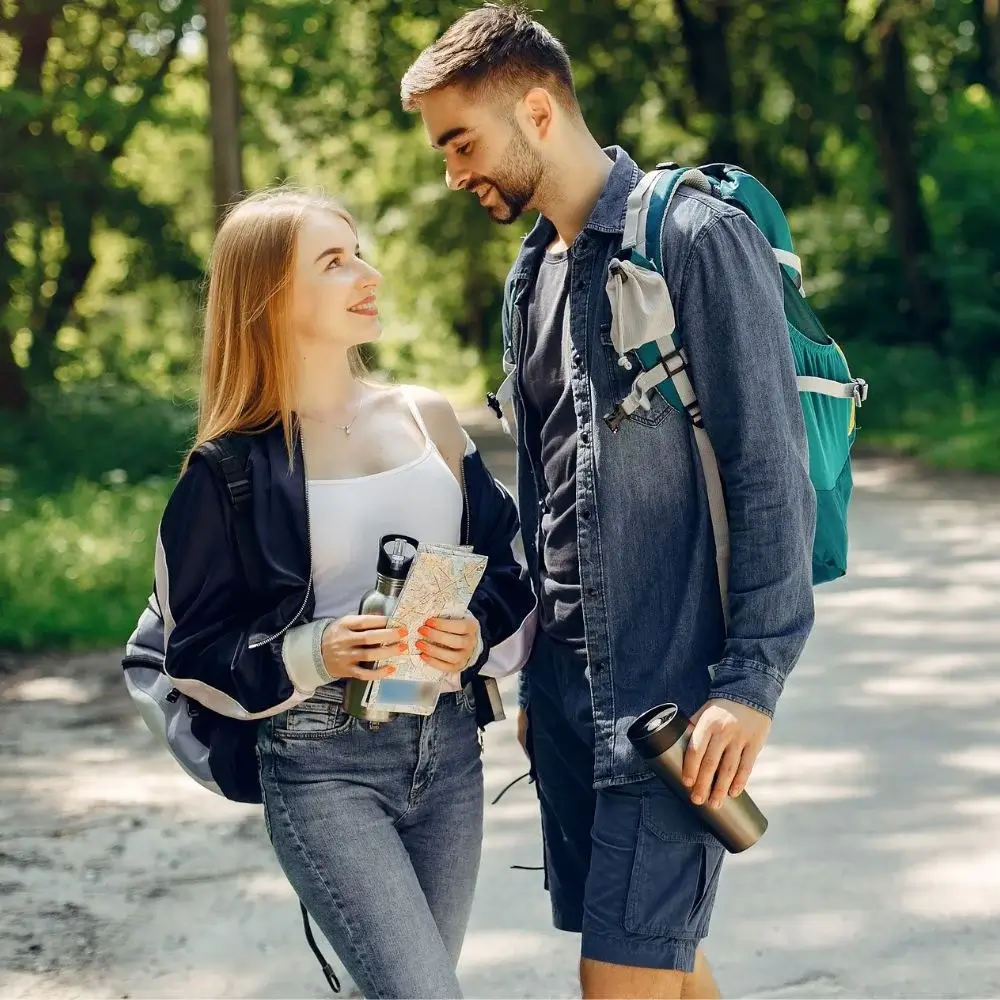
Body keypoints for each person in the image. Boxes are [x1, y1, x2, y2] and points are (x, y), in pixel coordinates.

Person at [401, 7, 816, 999]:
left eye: (461, 141)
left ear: (535, 110)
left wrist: (750, 679)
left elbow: (768, 466)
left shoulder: (694, 238)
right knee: (665, 964)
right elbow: (547, 492)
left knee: (618, 977)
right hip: (568, 700)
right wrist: (534, 670)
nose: (452, 170)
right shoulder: (526, 279)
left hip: (673, 699)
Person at [153, 187, 536, 999]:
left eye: (358, 251)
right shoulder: (228, 471)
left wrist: (473, 637)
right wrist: (312, 649)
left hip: (451, 750)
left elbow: (507, 565)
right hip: (320, 766)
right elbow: (190, 654)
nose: (369, 272)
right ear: (270, 297)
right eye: (334, 262)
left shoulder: (426, 418)